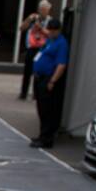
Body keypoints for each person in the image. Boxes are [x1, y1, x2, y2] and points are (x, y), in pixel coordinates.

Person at [30, 17, 69, 149]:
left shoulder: (61, 43)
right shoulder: (50, 40)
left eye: (53, 31)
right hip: (40, 77)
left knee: (48, 109)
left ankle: (47, 138)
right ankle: (42, 134)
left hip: (49, 78)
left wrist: (53, 80)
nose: (50, 32)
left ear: (58, 30)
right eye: (50, 30)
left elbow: (61, 65)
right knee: (41, 108)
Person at [19, 0, 51, 100]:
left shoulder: (50, 21)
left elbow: (50, 34)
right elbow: (22, 28)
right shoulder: (33, 18)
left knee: (39, 72)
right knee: (27, 71)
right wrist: (29, 19)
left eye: (45, 10)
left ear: (48, 10)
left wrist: (40, 28)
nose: (43, 12)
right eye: (41, 9)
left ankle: (36, 94)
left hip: (42, 49)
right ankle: (23, 93)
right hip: (31, 48)